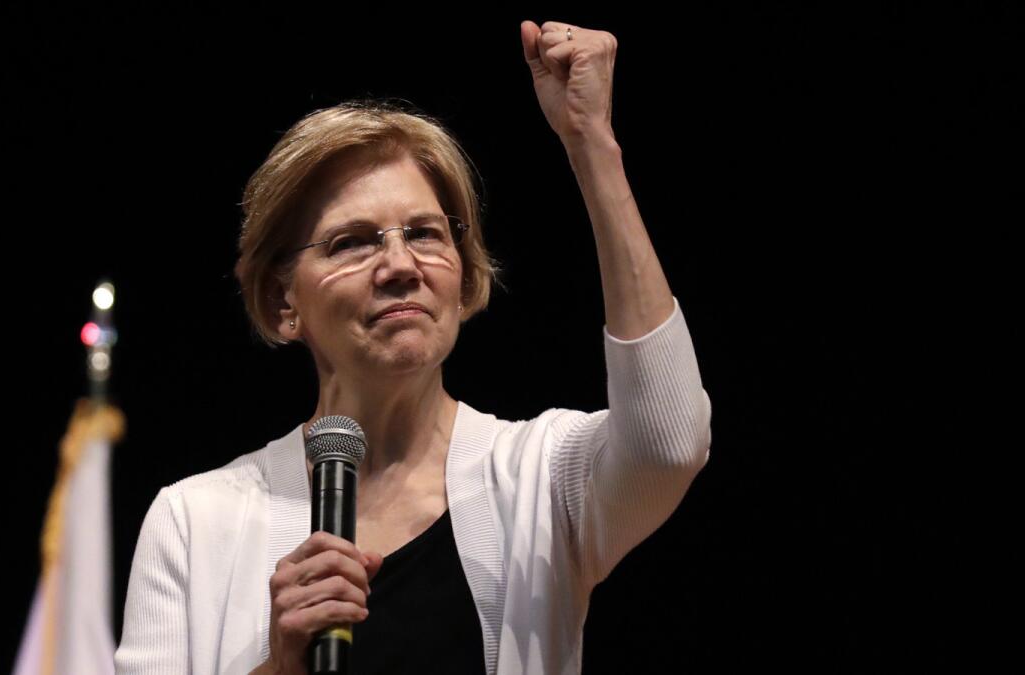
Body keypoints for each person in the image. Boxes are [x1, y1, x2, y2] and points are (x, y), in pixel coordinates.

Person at [115, 20, 712, 675]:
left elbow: (669, 440)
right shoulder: (194, 520)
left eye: (426, 233)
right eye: (353, 241)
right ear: (283, 302)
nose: (400, 264)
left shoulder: (538, 476)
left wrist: (591, 142)